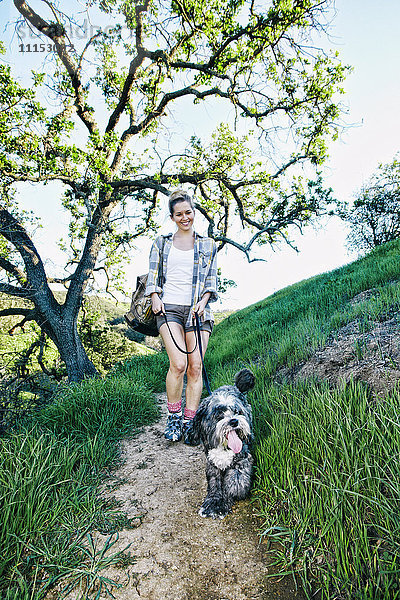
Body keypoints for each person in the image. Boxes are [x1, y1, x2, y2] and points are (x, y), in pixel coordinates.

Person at [145, 189, 218, 443]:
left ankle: (190, 422)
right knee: (178, 364)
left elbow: (211, 280)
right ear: (172, 217)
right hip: (169, 308)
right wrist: (154, 296)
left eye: (188, 212)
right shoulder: (161, 243)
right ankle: (174, 418)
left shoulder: (208, 244)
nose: (184, 217)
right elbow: (153, 276)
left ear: (194, 212)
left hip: (198, 310)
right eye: (179, 214)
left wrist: (203, 301)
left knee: (195, 367)